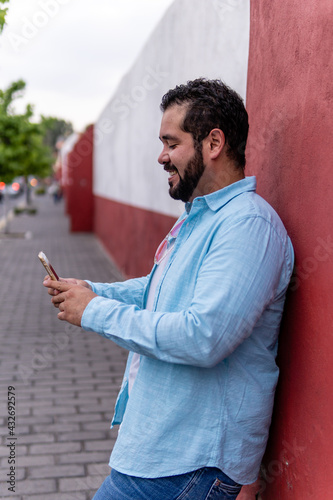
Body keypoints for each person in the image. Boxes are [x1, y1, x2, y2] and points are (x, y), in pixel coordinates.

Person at [43, 78, 294, 500]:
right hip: (161, 451)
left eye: (171, 142)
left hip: (191, 461)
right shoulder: (200, 216)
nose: (161, 156)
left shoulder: (248, 225)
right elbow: (160, 289)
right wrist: (91, 290)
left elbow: (204, 337)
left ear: (213, 143)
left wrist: (94, 311)